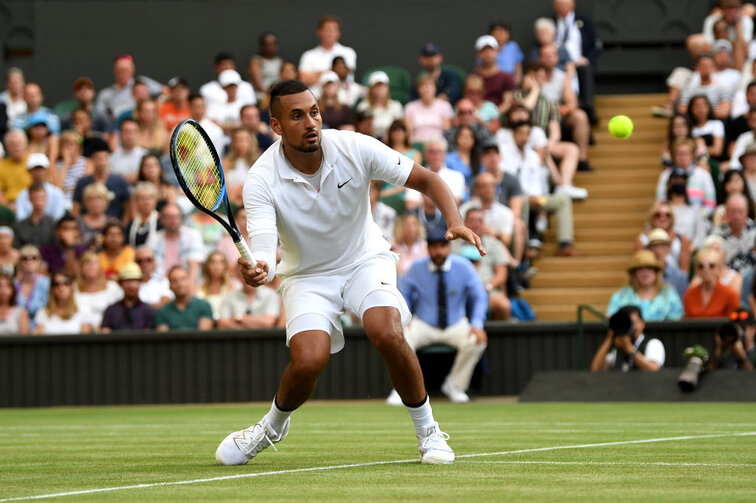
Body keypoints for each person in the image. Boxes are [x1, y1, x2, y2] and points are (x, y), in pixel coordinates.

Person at [215, 80, 485, 466]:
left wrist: (455, 220)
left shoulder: (354, 146)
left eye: (314, 111)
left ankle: (428, 432)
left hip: (364, 259)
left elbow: (428, 179)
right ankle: (272, 427)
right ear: (275, 127)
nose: (311, 122)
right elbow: (265, 247)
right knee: (308, 361)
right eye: (296, 116)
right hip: (307, 276)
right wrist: (260, 269)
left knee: (386, 331)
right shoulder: (260, 179)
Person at [391, 226, 488, 404]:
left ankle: (455, 385)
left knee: (477, 340)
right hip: (423, 324)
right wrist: (406, 319)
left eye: (442, 246)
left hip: (455, 324)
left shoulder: (464, 266)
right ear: (428, 248)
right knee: (399, 337)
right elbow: (402, 295)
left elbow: (479, 297)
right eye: (434, 247)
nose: (438, 251)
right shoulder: (416, 268)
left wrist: (476, 324)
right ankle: (403, 389)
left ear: (449, 247)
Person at [452, 206, 511, 320]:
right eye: (472, 220)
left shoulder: (495, 244)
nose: (476, 224)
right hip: (459, 291)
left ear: (484, 223)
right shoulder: (454, 245)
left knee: (503, 305)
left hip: (488, 290)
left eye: (480, 221)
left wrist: (486, 288)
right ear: (465, 222)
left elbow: (501, 274)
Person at [552, 0, 602, 124]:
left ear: (572, 6)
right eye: (560, 5)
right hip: (557, 64)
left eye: (566, 5)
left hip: (579, 62)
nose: (563, 8)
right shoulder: (551, 22)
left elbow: (596, 44)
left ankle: (588, 107)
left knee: (585, 68)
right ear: (555, 7)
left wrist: (586, 58)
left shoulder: (585, 21)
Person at [607, 250, 684, 321]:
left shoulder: (669, 294)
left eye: (649, 268)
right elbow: (612, 322)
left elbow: (678, 321)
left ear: (656, 272)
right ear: (634, 273)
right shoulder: (621, 296)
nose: (645, 272)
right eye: (641, 269)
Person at [590, 306, 665, 372]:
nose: (630, 327)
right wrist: (609, 338)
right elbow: (596, 370)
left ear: (642, 324)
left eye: (633, 322)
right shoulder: (618, 348)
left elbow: (654, 369)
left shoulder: (653, 343)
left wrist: (630, 349)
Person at [146, 203, 204, 288]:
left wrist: (189, 289)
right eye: (169, 217)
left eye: (176, 217)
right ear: (162, 220)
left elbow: (194, 265)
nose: (173, 220)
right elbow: (148, 265)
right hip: (160, 284)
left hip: (184, 284)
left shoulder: (193, 236)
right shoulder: (153, 238)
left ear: (181, 219)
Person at [72, 139, 131, 220]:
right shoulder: (83, 182)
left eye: (104, 158)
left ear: (109, 159)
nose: (102, 162)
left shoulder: (119, 181)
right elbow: (76, 208)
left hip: (114, 227)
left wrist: (122, 226)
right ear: (92, 160)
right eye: (98, 158)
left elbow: (128, 208)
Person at [94, 54, 162, 123]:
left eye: (126, 70)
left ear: (132, 70)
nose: (123, 73)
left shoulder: (142, 83)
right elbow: (98, 116)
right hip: (117, 125)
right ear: (115, 71)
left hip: (144, 122)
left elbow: (165, 92)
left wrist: (158, 103)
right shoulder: (106, 94)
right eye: (120, 70)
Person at [298, 16, 357, 86]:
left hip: (343, 95)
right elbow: (304, 79)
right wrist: (332, 71)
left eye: (333, 30)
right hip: (315, 95)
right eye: (326, 30)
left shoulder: (348, 52)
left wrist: (317, 74)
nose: (329, 33)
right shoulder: (308, 55)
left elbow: (343, 74)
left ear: (339, 33)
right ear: (319, 32)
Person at [684, 247, 741, 318]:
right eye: (701, 266)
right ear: (696, 270)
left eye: (711, 266)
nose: (706, 270)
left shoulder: (730, 294)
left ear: (719, 269)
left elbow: (735, 322)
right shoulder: (690, 294)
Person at [100, 262, 156, 332]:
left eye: (134, 281)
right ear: (120, 284)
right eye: (127, 281)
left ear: (140, 283)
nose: (131, 286)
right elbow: (105, 334)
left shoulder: (148, 311)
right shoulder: (111, 311)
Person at [156, 265, 214, 331]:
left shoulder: (204, 306)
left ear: (189, 281)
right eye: (175, 281)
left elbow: (204, 335)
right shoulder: (163, 311)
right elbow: (163, 338)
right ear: (170, 286)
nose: (180, 284)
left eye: (183, 279)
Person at [75, 251, 123, 328]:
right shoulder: (73, 289)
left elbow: (122, 310)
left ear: (101, 267)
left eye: (95, 262)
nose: (91, 266)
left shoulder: (112, 287)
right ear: (81, 268)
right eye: (87, 262)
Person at [711, 193, 756, 274]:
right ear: (727, 212)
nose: (737, 216)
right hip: (726, 278)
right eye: (733, 211)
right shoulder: (718, 234)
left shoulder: (754, 230)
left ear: (747, 211)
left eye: (740, 211)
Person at [14, 153, 65, 222]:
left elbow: (59, 217)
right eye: (35, 169)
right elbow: (21, 219)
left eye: (41, 169)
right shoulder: (21, 195)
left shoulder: (57, 193)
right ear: (29, 171)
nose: (38, 172)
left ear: (47, 170)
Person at [355, 71, 404, 140]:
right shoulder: (363, 107)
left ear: (388, 88)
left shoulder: (396, 106)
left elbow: (400, 129)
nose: (380, 89)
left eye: (383, 85)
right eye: (377, 86)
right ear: (371, 89)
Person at [474, 35, 515, 113]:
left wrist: (491, 116)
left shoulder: (507, 77)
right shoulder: (473, 77)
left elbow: (507, 103)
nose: (488, 53)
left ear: (497, 52)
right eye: (484, 51)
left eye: (491, 50)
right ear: (478, 54)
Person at [645, 228, 689, 300]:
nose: (658, 251)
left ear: (669, 249)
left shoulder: (680, 277)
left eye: (662, 246)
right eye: (654, 246)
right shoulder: (643, 276)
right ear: (648, 250)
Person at [15, 244, 49, 331]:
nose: (29, 261)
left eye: (34, 258)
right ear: (19, 262)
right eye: (24, 258)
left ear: (39, 262)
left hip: (42, 328)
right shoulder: (13, 284)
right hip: (15, 329)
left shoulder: (47, 284)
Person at [13, 183, 55, 250]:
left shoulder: (53, 224)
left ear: (46, 198)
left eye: (41, 198)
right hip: (26, 258)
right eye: (35, 198)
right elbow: (16, 248)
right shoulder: (20, 226)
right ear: (30, 199)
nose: (39, 202)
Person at [196, 251, 236, 322]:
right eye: (213, 262)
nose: (217, 266)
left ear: (225, 266)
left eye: (221, 262)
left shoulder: (233, 288)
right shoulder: (198, 290)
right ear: (207, 266)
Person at [53, 131, 88, 210]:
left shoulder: (86, 163)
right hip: (61, 202)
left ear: (78, 146)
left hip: (79, 201)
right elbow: (57, 189)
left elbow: (86, 187)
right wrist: (65, 164)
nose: (68, 147)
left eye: (71, 144)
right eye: (65, 144)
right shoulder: (57, 165)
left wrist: (66, 189)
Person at [109, 118, 147, 184]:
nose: (130, 135)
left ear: (138, 133)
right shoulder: (111, 158)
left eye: (134, 132)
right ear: (120, 134)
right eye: (127, 131)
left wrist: (120, 177)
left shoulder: (146, 155)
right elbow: (110, 179)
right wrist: (137, 176)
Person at [124, 182, 162, 248]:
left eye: (150, 198)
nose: (146, 202)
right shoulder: (131, 225)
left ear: (156, 201)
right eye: (142, 198)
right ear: (136, 201)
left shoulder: (162, 222)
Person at [0, 129, 31, 209]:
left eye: (19, 144)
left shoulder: (34, 162)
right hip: (9, 205)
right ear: (7, 148)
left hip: (32, 203)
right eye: (13, 145)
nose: (17, 148)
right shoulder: (2, 166)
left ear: (26, 145)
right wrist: (7, 206)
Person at [248, 33, 283, 103]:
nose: (271, 47)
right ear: (262, 46)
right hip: (262, 94)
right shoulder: (256, 61)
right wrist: (270, 95)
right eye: (268, 44)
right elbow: (258, 85)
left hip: (279, 93)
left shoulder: (280, 61)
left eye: (274, 44)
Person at [394, 212, 428, 277]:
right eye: (407, 224)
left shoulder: (425, 247)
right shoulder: (394, 246)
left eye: (414, 224)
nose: (410, 228)